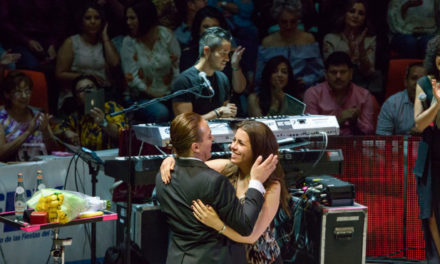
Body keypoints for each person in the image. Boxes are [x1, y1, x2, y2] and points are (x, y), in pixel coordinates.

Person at [155, 112, 278, 263]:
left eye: (241, 143)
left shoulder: (272, 185)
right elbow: (190, 170)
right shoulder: (225, 169)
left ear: (257, 150)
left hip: (257, 257)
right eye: (234, 140)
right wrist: (171, 159)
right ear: (195, 146)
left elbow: (251, 237)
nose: (232, 146)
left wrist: (219, 225)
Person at [120, 0, 181, 123]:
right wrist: (154, 94)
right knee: (161, 112)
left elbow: (176, 66)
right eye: (127, 18)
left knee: (183, 112)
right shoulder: (129, 42)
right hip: (140, 97)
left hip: (169, 93)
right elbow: (131, 78)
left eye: (132, 18)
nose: (128, 23)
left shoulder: (165, 35)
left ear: (144, 17)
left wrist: (174, 93)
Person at [56, 2, 120, 103]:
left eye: (97, 18)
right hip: (77, 94)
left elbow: (114, 63)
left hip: (102, 93)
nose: (93, 21)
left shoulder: (104, 42)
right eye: (88, 18)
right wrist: (86, 76)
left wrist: (105, 36)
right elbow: (60, 73)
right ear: (81, 21)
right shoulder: (71, 42)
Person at [303, 51, 379, 136]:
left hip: (354, 145)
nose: (338, 76)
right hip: (325, 147)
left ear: (351, 73)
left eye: (343, 72)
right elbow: (311, 132)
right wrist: (338, 122)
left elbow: (369, 132)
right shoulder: (313, 94)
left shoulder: (364, 95)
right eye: (333, 72)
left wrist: (355, 122)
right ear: (326, 74)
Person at [255, 0, 324, 91]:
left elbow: (319, 71)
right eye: (284, 22)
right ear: (277, 20)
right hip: (275, 90)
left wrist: (306, 80)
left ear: (298, 20)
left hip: (303, 90)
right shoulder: (267, 43)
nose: (288, 26)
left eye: (293, 22)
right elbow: (260, 76)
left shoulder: (308, 39)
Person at [172, 26, 238, 120]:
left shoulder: (223, 78)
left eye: (228, 54)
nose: (227, 59)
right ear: (207, 51)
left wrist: (229, 113)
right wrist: (217, 113)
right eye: (223, 53)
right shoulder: (184, 81)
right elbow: (186, 124)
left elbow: (223, 115)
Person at [413, 35, 440, 263]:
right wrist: (437, 104)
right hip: (431, 154)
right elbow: (419, 123)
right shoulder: (424, 85)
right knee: (430, 212)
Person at [322, 0, 383, 97]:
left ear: (365, 18)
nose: (356, 16)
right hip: (336, 84)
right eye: (352, 11)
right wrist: (350, 52)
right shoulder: (330, 38)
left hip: (363, 85)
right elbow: (330, 70)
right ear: (344, 14)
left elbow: (368, 72)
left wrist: (361, 48)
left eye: (361, 13)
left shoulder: (370, 39)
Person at [55, 75, 127, 151]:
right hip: (89, 159)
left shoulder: (111, 107)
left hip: (112, 157)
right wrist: (66, 132)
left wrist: (104, 123)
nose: (87, 92)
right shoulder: (77, 116)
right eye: (81, 90)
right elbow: (56, 130)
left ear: (98, 90)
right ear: (77, 98)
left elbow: (123, 134)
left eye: (90, 87)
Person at [0, 71, 56, 161]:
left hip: (40, 170)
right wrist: (28, 132)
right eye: (18, 92)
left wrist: (46, 132)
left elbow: (53, 150)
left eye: (27, 91)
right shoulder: (2, 118)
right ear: (7, 94)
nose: (24, 96)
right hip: (11, 170)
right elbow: (1, 153)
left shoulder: (39, 116)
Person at [376, 62, 425, 135]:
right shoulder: (392, 104)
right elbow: (382, 140)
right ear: (406, 81)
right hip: (400, 146)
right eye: (414, 78)